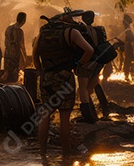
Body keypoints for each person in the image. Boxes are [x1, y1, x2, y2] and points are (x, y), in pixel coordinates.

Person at [34, 9, 95, 156]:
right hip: (65, 78)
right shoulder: (71, 32)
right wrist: (79, 65)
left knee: (45, 114)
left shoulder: (42, 33)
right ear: (65, 19)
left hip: (46, 77)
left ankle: (43, 154)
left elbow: (35, 55)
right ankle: (66, 155)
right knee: (64, 117)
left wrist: (42, 72)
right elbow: (89, 50)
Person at [77, 11, 109, 122]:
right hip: (98, 61)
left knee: (83, 89)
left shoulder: (82, 31)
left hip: (87, 61)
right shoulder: (98, 30)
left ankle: (88, 116)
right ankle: (98, 110)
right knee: (91, 86)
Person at [2, 12, 27, 83]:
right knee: (13, 76)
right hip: (15, 56)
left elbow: (6, 42)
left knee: (6, 73)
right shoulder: (20, 31)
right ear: (24, 20)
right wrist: (25, 57)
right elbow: (21, 45)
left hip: (7, 54)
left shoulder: (8, 28)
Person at [120, 14, 134, 82]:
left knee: (129, 60)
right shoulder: (128, 29)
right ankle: (129, 75)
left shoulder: (128, 29)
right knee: (129, 60)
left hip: (129, 45)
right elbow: (130, 38)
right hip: (129, 45)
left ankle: (129, 75)